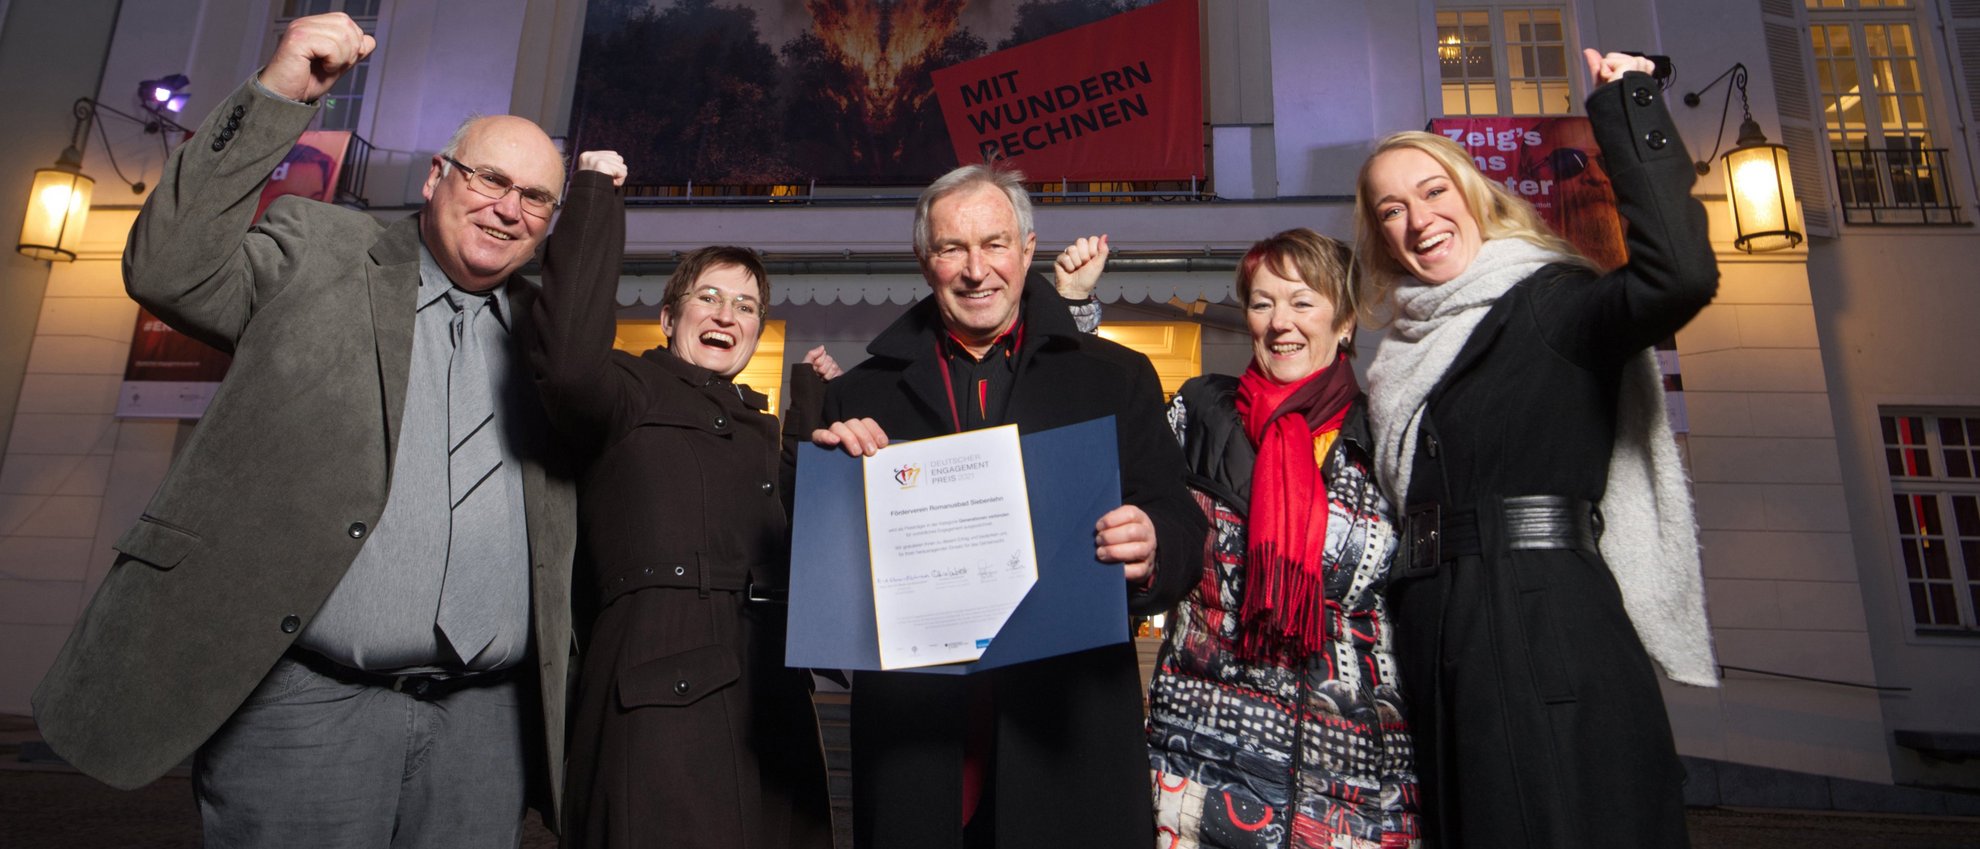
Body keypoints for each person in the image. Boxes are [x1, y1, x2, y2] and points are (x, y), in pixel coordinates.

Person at [33, 12, 580, 846]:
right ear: (437, 176)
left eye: (535, 198)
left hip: (485, 728)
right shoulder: (319, 248)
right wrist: (282, 91)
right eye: (490, 179)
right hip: (308, 707)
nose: (508, 209)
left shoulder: (550, 339)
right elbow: (169, 268)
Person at [1353, 50, 1719, 848]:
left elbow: (1679, 277)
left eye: (1433, 191)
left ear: (1476, 195)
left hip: (1543, 630)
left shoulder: (1554, 301)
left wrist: (1629, 106)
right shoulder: (1400, 356)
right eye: (1391, 210)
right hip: (1437, 636)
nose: (1417, 220)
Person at [810, 164, 1207, 849]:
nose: (976, 270)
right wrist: (832, 491)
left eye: (994, 244)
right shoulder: (858, 398)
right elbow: (829, 581)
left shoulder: (1113, 378)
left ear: (1027, 250)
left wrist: (1154, 543)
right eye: (952, 248)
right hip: (918, 745)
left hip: (1069, 735)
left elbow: (1181, 522)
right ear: (924, 260)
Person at [528, 151, 835, 848]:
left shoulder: (755, 425)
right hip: (658, 697)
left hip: (769, 696)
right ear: (668, 317)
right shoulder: (629, 390)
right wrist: (593, 197)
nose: (728, 314)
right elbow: (567, 361)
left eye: (747, 306)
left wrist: (811, 407)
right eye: (709, 297)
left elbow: (798, 531)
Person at [1100, 228, 1420, 849]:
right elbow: (1123, 500)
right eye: (1262, 303)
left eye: (1303, 302)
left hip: (1355, 791)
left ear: (1345, 321)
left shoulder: (1388, 436)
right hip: (1199, 772)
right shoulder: (1197, 414)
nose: (1280, 323)